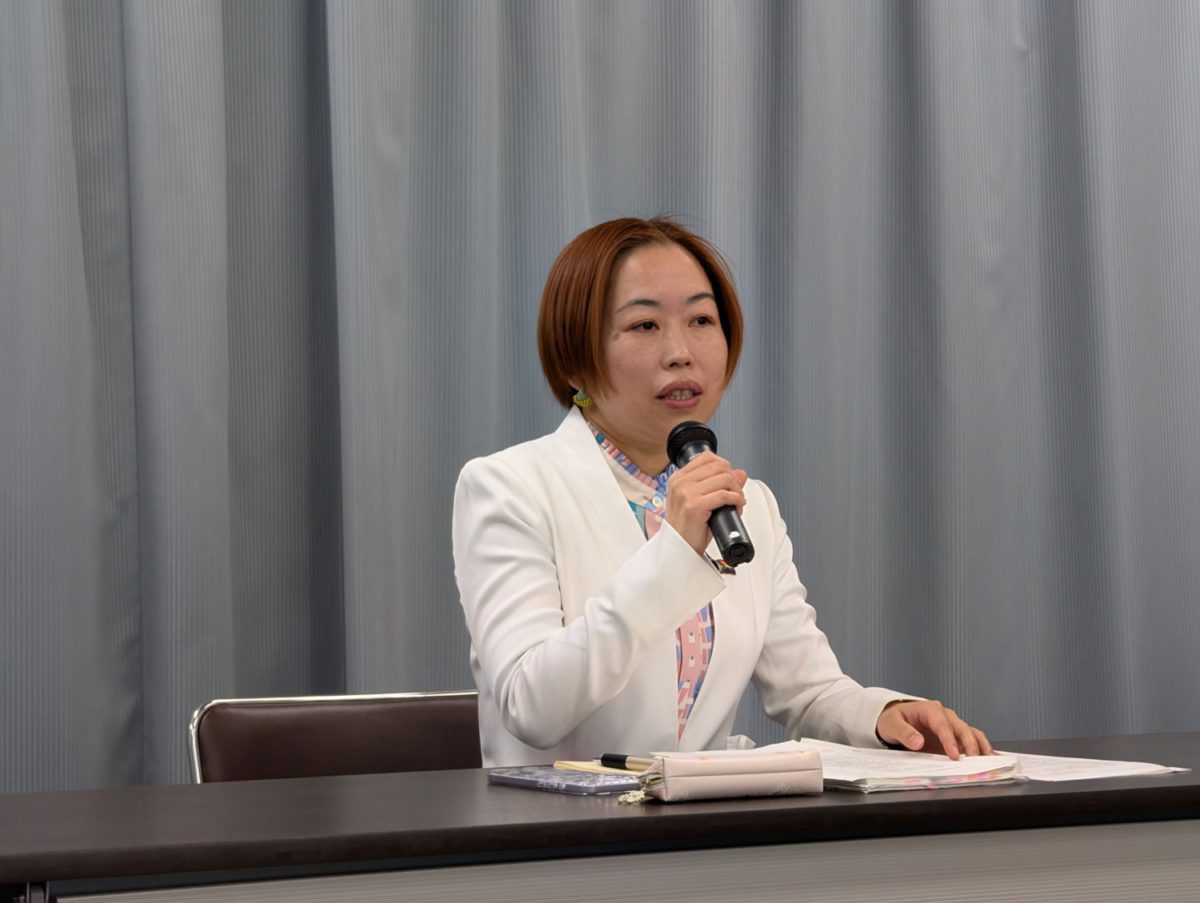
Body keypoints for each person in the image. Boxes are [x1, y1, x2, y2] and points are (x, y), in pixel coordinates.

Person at [452, 217, 992, 768]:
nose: (681, 352)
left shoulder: (746, 502)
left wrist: (882, 715)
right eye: (644, 325)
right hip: (561, 819)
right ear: (574, 362)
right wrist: (675, 552)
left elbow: (807, 691)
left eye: (702, 320)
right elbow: (531, 706)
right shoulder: (508, 487)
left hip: (705, 813)